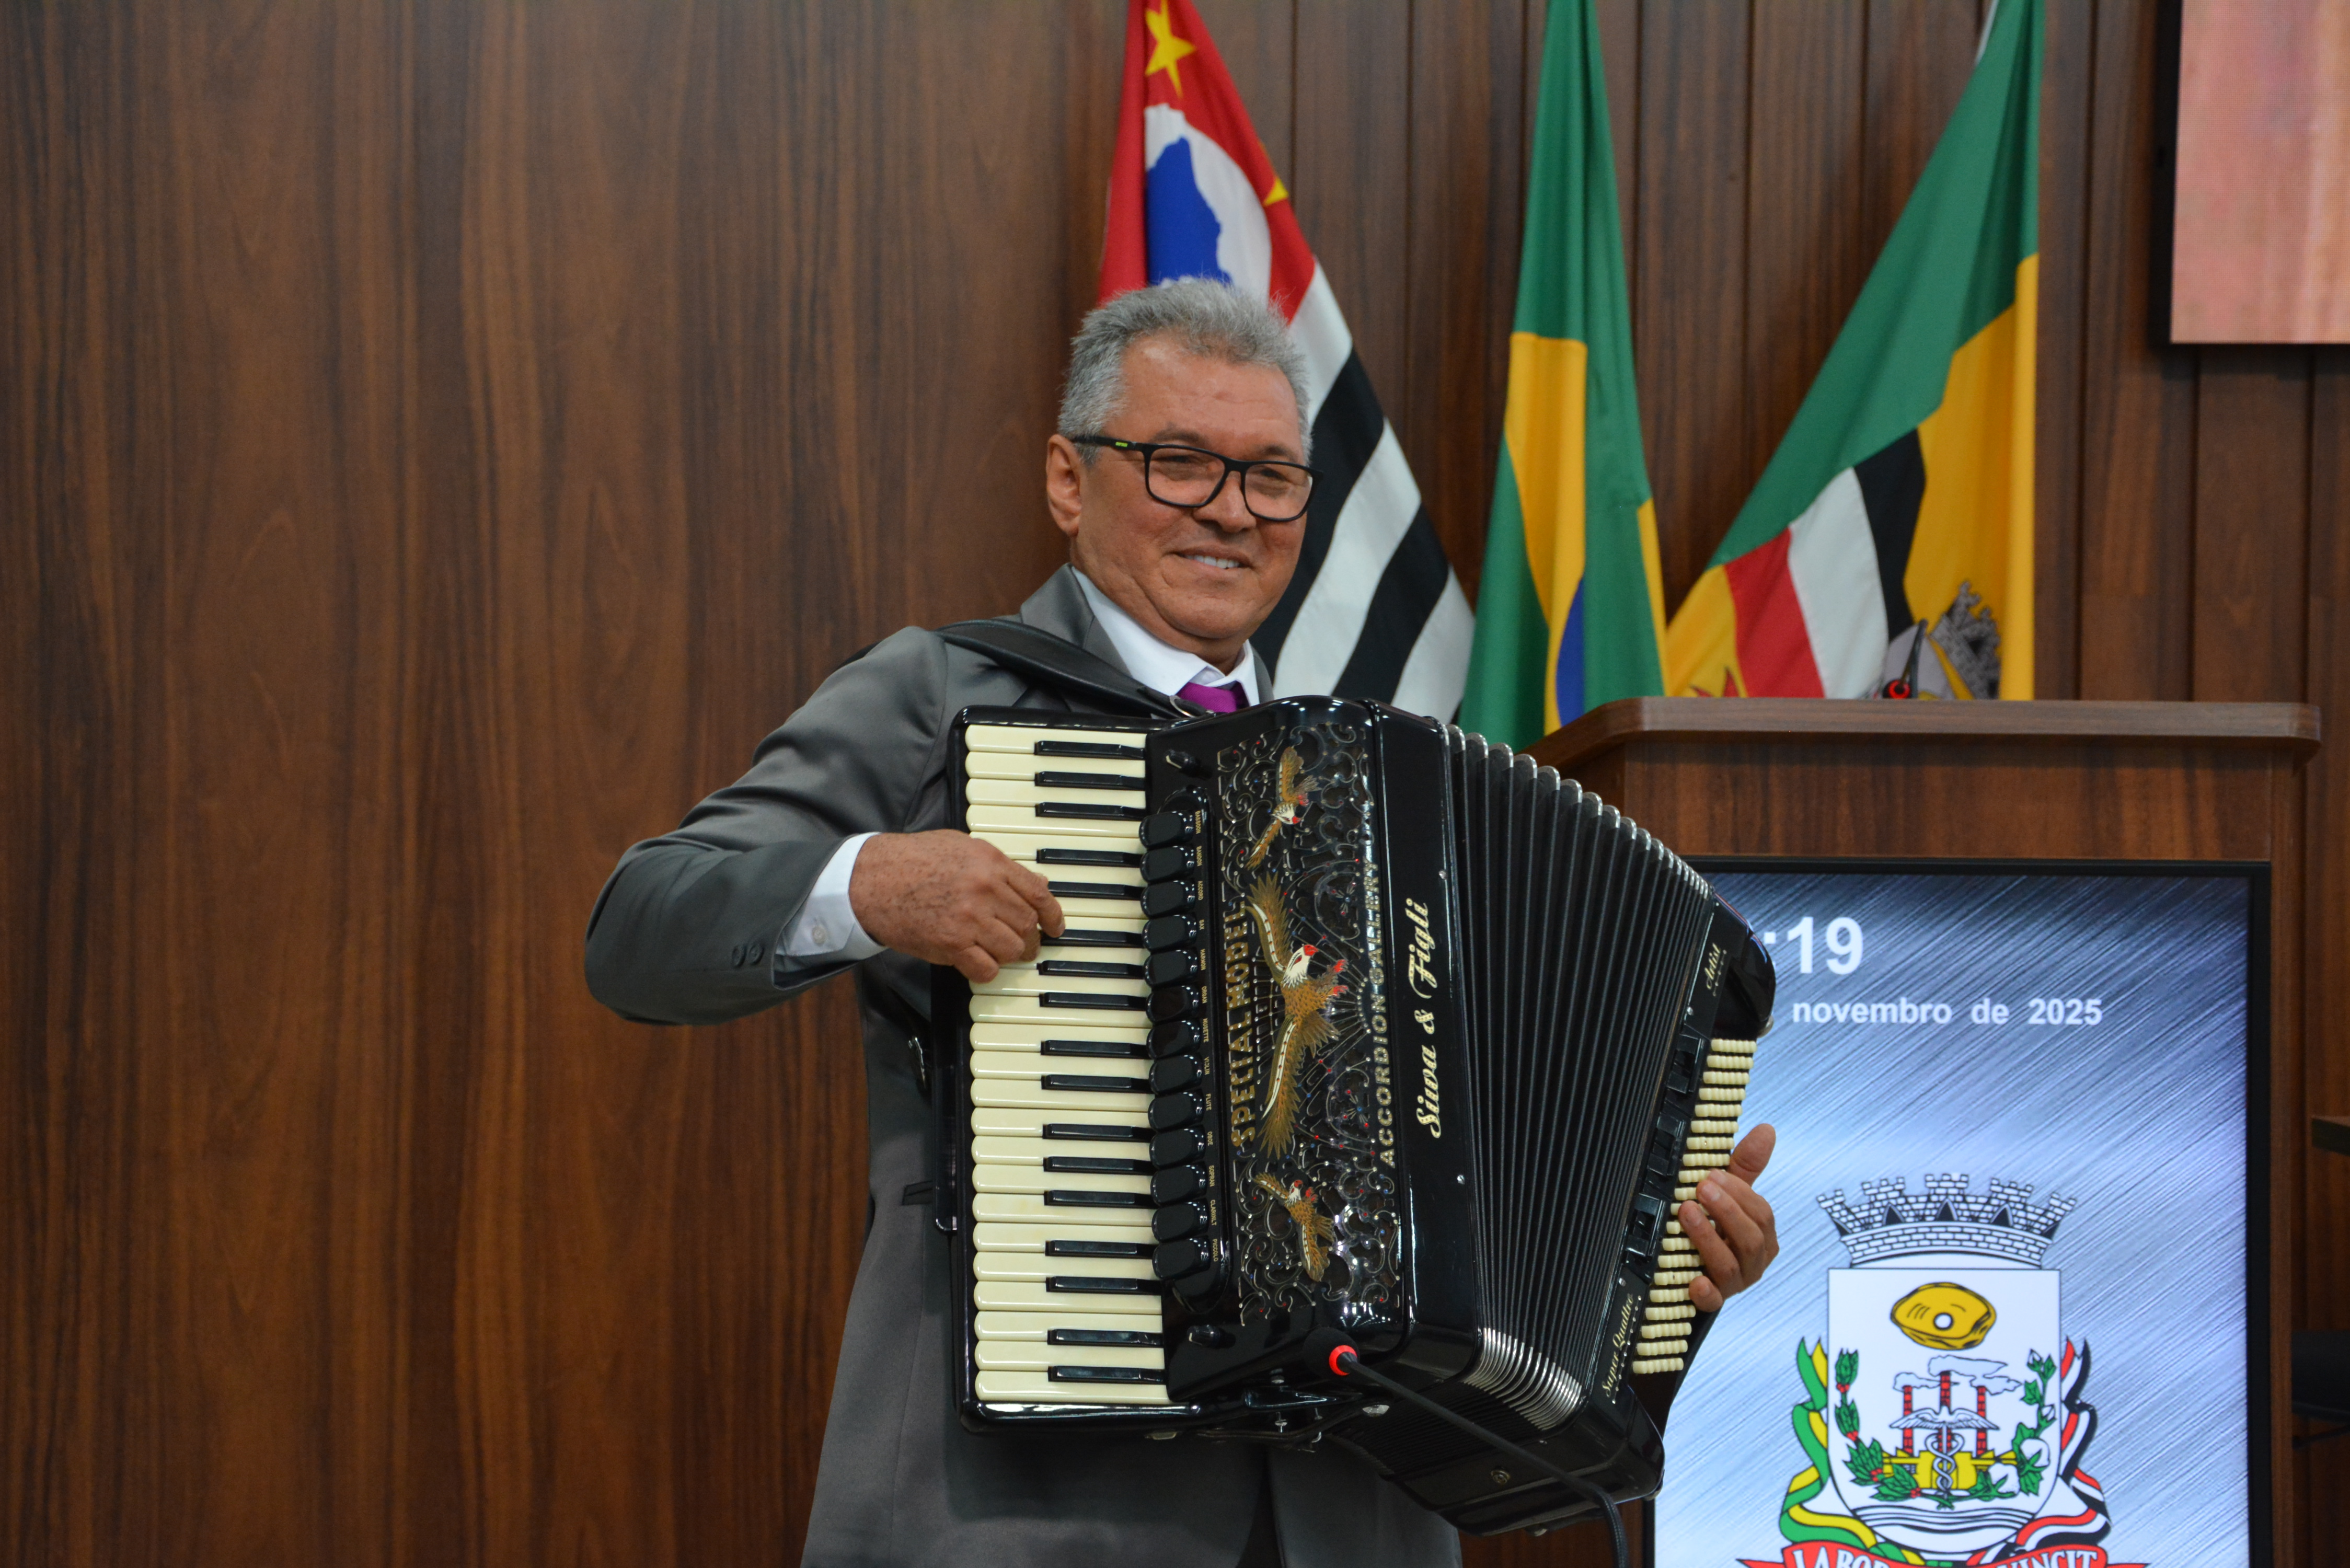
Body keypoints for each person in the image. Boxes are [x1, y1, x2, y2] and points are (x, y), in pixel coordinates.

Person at [585, 278, 1781, 1568]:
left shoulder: (1384, 796)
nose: (1228, 509)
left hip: (1354, 1521)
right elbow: (640, 927)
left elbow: (1492, 1188)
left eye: (1271, 478)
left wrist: (1655, 1258)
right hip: (1032, 1512)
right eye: (1177, 464)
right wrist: (868, 882)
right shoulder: (943, 692)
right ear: (1067, 480)